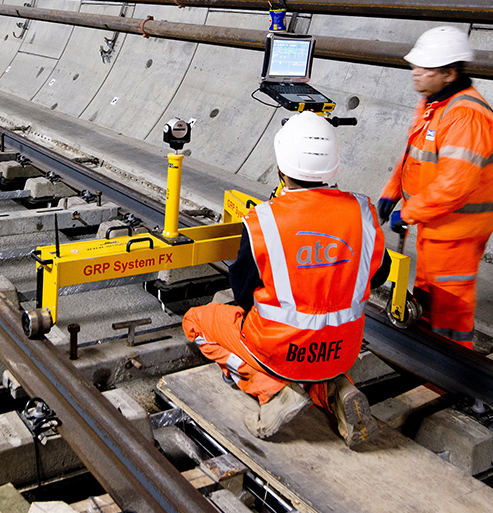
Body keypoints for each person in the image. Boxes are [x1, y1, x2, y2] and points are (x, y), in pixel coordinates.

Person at [183, 111, 390, 447]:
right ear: (333, 167)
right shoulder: (363, 214)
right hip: (342, 350)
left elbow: (243, 292)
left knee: (197, 322)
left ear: (281, 169)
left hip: (280, 351)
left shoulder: (263, 222)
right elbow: (377, 274)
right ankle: (335, 389)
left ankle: (273, 390)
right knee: (315, 363)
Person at [377, 26, 493, 349]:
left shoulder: (466, 116)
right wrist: (392, 191)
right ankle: (429, 362)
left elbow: (455, 185)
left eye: (425, 68)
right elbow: (413, 156)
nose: (416, 72)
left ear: (449, 73)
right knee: (429, 297)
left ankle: (459, 379)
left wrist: (409, 212)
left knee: (450, 309)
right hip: (436, 225)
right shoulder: (434, 105)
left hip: (458, 231)